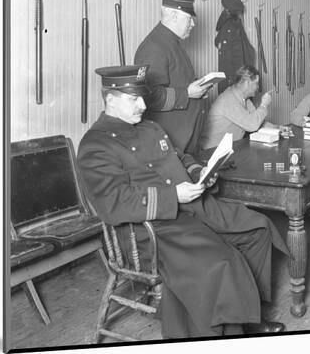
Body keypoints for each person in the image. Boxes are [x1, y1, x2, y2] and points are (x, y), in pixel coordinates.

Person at [77, 65, 289, 339]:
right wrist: (172, 196)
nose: (143, 105)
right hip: (151, 230)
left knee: (258, 228)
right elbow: (114, 203)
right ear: (110, 99)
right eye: (134, 99)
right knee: (223, 260)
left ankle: (248, 315)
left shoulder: (150, 128)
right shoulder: (96, 145)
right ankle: (230, 327)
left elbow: (181, 158)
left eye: (143, 97)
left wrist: (200, 172)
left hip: (190, 208)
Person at [134, 0, 213, 155]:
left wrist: (198, 89)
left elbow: (177, 81)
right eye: (189, 18)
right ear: (173, 15)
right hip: (170, 141)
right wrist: (188, 93)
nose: (193, 24)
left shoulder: (171, 43)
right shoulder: (154, 47)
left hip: (183, 139)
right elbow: (149, 96)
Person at [200, 65, 276, 150]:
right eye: (256, 84)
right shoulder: (228, 99)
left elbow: (257, 121)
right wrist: (264, 105)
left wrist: (278, 128)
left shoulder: (244, 99)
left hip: (227, 149)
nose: (258, 87)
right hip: (211, 152)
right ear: (247, 83)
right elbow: (253, 125)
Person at [214, 0, 256, 94]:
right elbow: (234, 57)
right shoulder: (232, 26)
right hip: (233, 80)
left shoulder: (229, 26)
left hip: (232, 81)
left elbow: (218, 44)